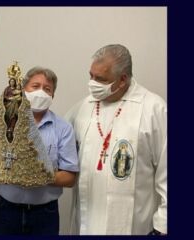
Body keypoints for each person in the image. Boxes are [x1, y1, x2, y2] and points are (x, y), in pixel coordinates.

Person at [65, 44, 167, 235]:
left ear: (122, 79)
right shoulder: (82, 107)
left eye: (101, 79)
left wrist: (163, 226)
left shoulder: (154, 109)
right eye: (91, 76)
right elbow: (56, 142)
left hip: (134, 227)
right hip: (85, 223)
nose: (92, 84)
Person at [0, 67, 80, 235]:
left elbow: (69, 177)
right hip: (5, 210)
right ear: (23, 90)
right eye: (35, 86)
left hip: (45, 214)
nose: (41, 92)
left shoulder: (63, 128)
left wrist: (35, 175)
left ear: (53, 95)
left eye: (47, 89)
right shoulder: (2, 120)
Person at [3, 78, 22, 142]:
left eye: (13, 81)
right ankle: (8, 128)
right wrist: (9, 98)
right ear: (9, 82)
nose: (12, 83)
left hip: (15, 105)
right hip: (8, 105)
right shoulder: (7, 89)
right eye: (11, 81)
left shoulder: (17, 89)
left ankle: (11, 129)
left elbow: (20, 97)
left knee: (14, 116)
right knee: (8, 116)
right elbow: (4, 96)